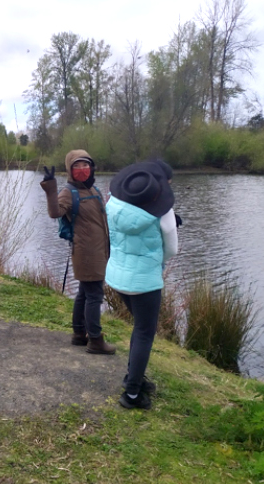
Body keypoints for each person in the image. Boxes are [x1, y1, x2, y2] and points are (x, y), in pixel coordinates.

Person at [105, 161, 178, 410]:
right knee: (145, 333)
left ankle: (134, 377)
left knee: (139, 329)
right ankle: (132, 394)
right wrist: (157, 261)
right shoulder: (162, 212)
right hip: (145, 281)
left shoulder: (113, 203)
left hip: (117, 277)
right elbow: (172, 249)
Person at [41, 150, 115, 355]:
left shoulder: (95, 190)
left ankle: (78, 334)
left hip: (99, 251)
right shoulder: (68, 192)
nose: (82, 169)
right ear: (70, 170)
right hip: (85, 253)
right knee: (94, 296)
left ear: (92, 167)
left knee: (84, 293)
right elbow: (54, 212)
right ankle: (95, 340)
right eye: (77, 166)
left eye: (85, 165)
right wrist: (50, 188)